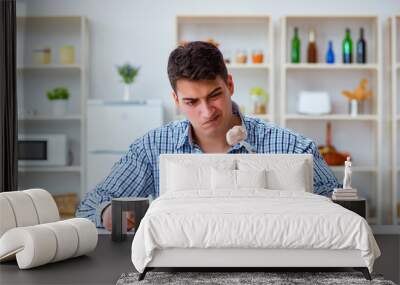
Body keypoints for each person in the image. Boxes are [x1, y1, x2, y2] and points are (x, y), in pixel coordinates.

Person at [76, 41, 340, 230]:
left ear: (230, 86)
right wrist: (110, 213)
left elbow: (340, 206)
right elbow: (89, 207)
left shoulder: (292, 146)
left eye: (214, 95)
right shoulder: (152, 148)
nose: (206, 112)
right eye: (191, 102)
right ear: (176, 100)